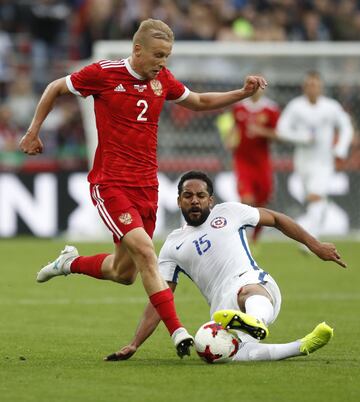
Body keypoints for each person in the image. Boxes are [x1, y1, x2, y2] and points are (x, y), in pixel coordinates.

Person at [19, 19, 267, 358]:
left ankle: (70, 263)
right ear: (137, 50)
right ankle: (178, 331)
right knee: (148, 252)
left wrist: (242, 93)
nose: (162, 62)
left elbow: (198, 101)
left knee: (124, 272)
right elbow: (54, 88)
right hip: (111, 184)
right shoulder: (102, 73)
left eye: (167, 56)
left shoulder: (161, 80)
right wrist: (33, 132)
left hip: (146, 187)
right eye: (158, 55)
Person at [105, 170, 346, 362]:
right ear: (178, 201)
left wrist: (315, 245)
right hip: (222, 312)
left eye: (201, 196)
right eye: (188, 196)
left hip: (253, 282)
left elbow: (276, 219)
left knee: (248, 291)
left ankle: (256, 321)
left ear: (211, 200)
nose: (195, 201)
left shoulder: (229, 212)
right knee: (225, 353)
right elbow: (161, 298)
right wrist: (135, 343)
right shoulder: (172, 245)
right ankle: (301, 346)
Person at [258, 71, 353, 244]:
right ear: (304, 87)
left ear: (321, 87)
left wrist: (341, 148)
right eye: (309, 85)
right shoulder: (296, 107)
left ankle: (311, 241)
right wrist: (302, 137)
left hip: (324, 161)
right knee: (314, 199)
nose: (312, 88)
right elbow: (282, 130)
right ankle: (315, 230)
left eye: (315, 85)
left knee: (315, 196)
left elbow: (346, 127)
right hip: (302, 160)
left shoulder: (331, 107)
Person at [216, 88, 280, 244]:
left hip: (262, 163)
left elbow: (278, 135)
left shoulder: (271, 109)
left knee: (262, 201)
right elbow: (234, 128)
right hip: (242, 161)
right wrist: (230, 139)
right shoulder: (239, 107)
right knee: (246, 199)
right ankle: (240, 238)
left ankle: (255, 238)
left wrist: (262, 131)